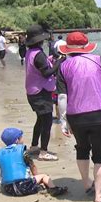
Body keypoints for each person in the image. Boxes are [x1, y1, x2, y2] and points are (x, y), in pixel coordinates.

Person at [57, 31, 101, 202]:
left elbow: (62, 97)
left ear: (68, 48)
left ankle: (86, 183)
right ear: (86, 46)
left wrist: (63, 120)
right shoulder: (99, 60)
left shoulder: (63, 66)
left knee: (82, 148)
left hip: (76, 115)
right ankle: (99, 194)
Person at [24, 25, 63, 161]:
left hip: (33, 92)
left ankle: (35, 146)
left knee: (40, 120)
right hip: (40, 93)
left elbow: (41, 66)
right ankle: (43, 151)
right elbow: (46, 73)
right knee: (46, 122)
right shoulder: (39, 54)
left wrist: (51, 61)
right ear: (40, 40)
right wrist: (59, 63)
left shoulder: (31, 52)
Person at [0, 128, 67, 197]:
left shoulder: (1, 153)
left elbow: (3, 171)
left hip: (8, 189)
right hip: (23, 187)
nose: (22, 139)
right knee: (44, 176)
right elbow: (32, 166)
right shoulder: (23, 152)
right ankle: (54, 189)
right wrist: (37, 179)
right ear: (17, 140)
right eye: (21, 137)